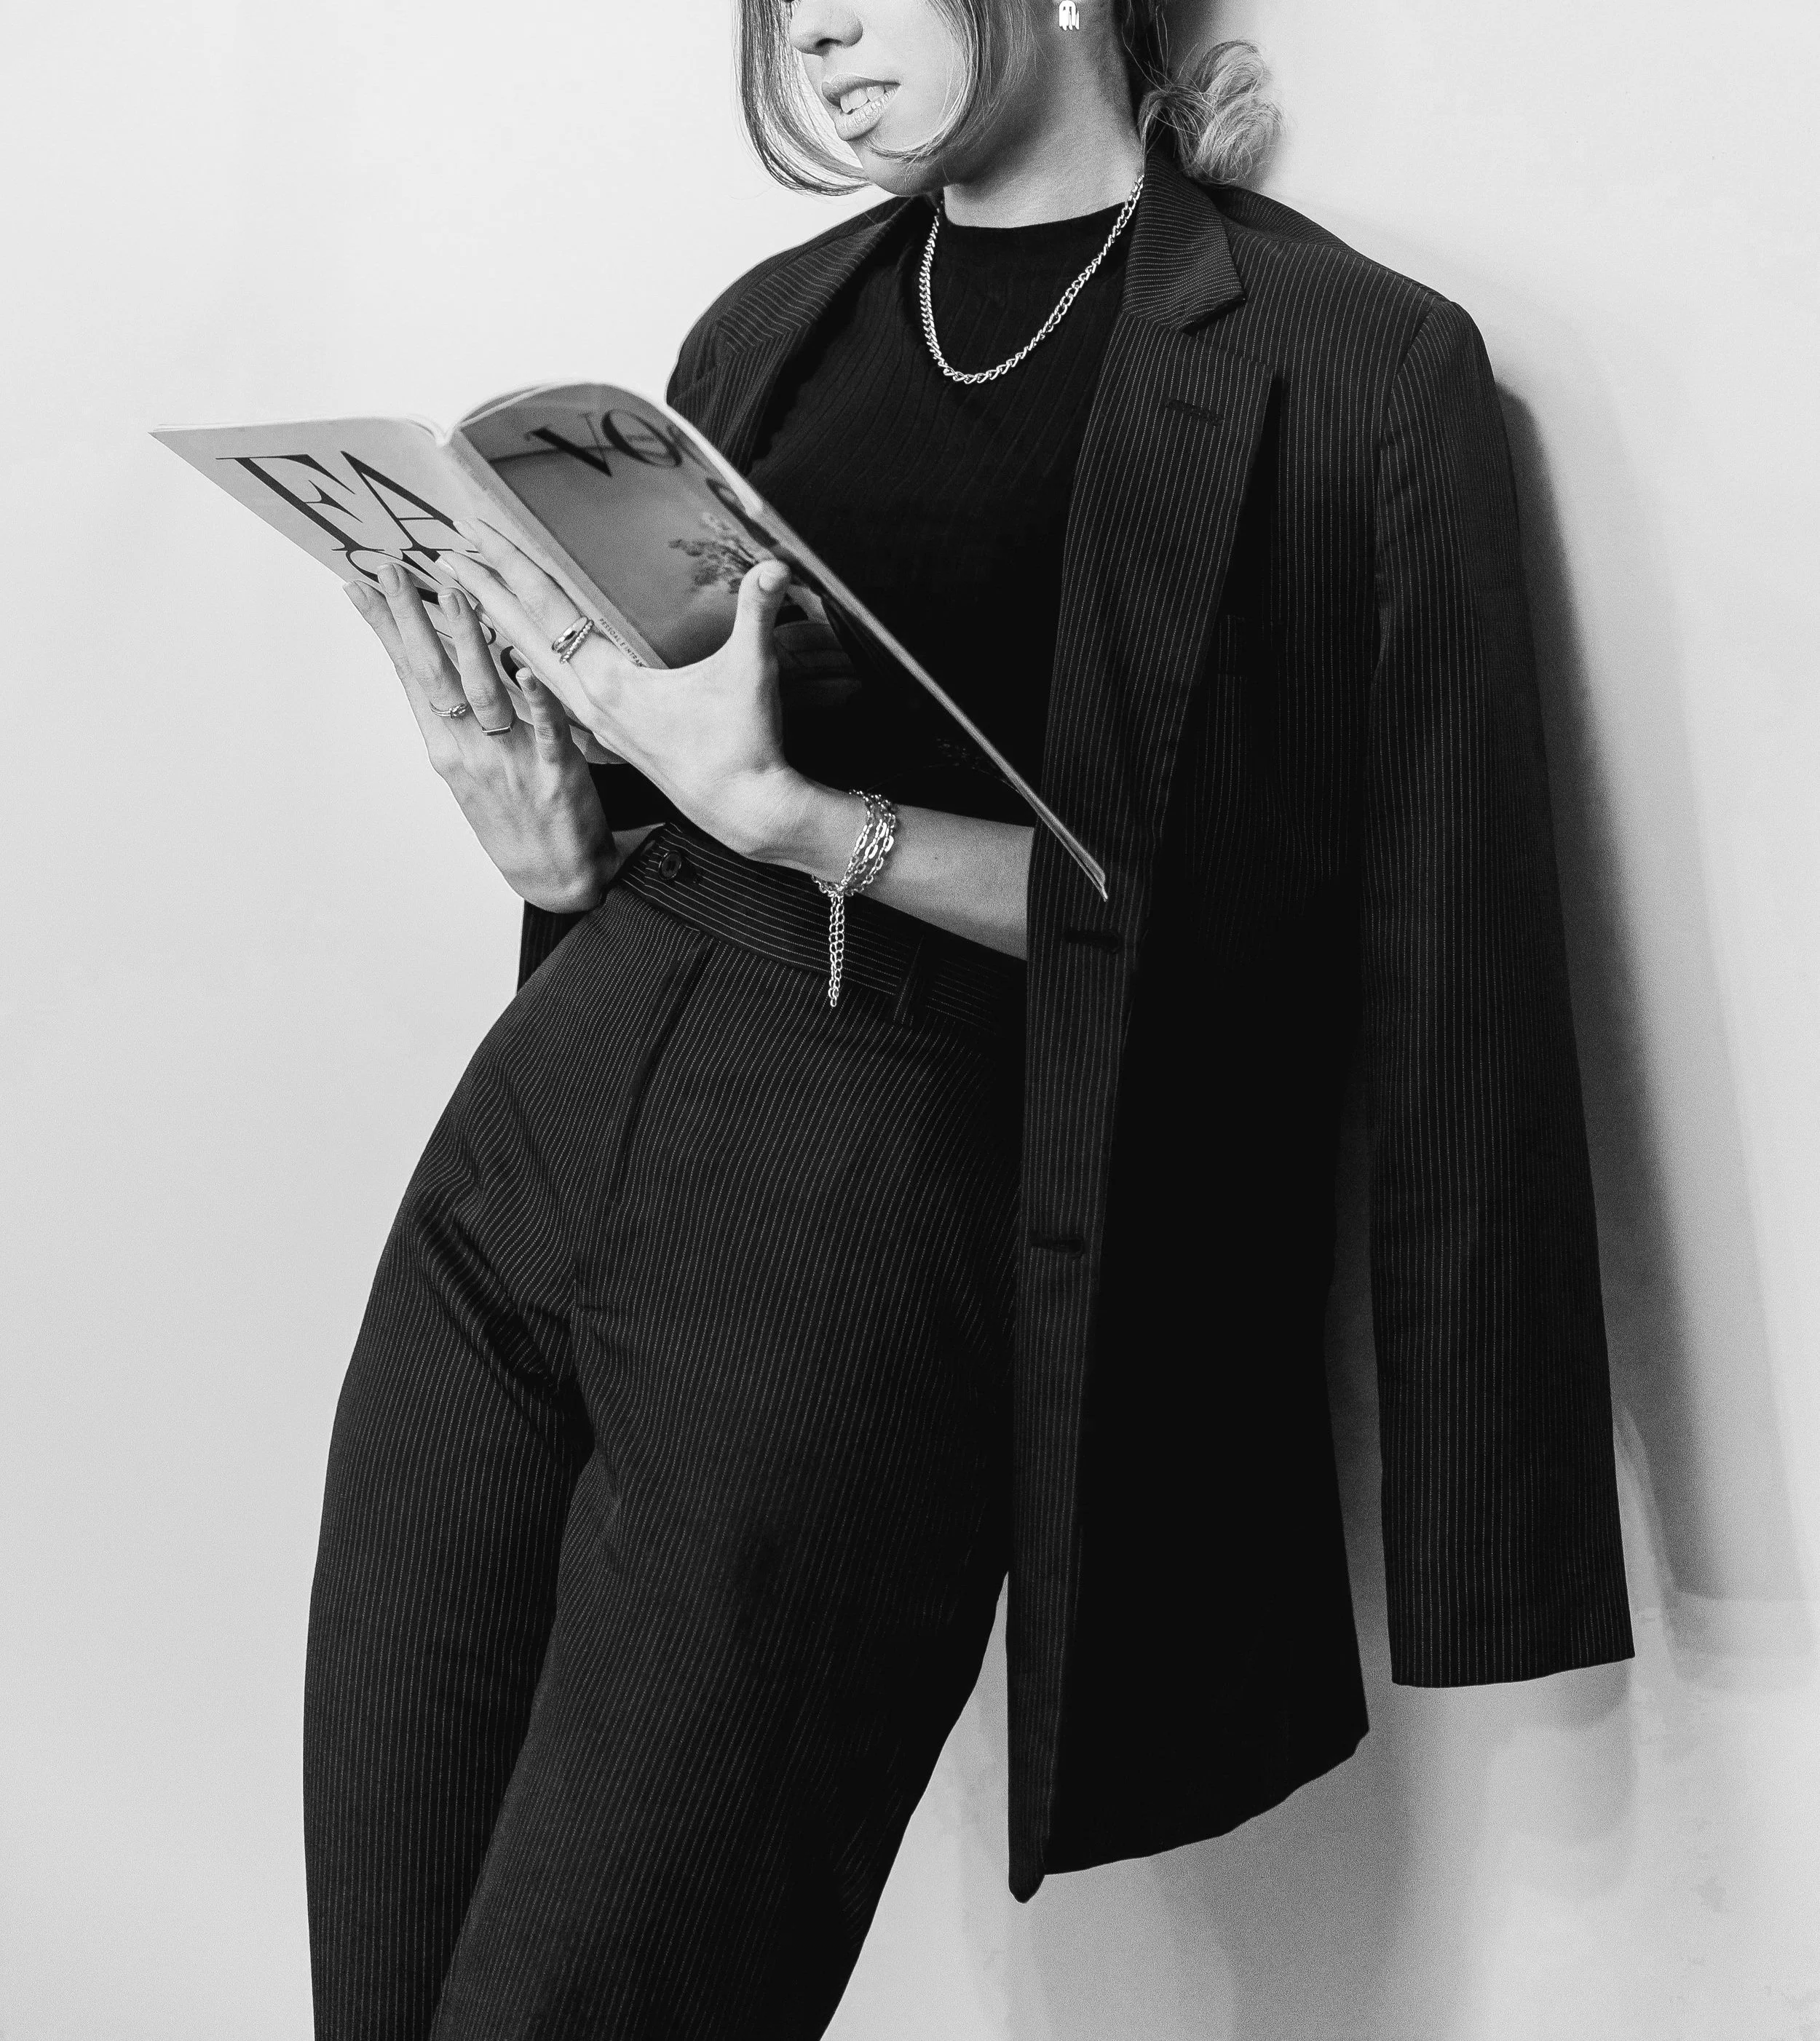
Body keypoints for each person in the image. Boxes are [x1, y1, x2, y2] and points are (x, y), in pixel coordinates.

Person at [306, 1, 1634, 2034]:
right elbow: (677, 789)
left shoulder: (1347, 369)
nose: (812, 28)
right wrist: (553, 846)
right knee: (382, 1985)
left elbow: (1373, 961)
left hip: (845, 1240)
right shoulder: (758, 333)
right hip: (514, 1179)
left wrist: (799, 819)